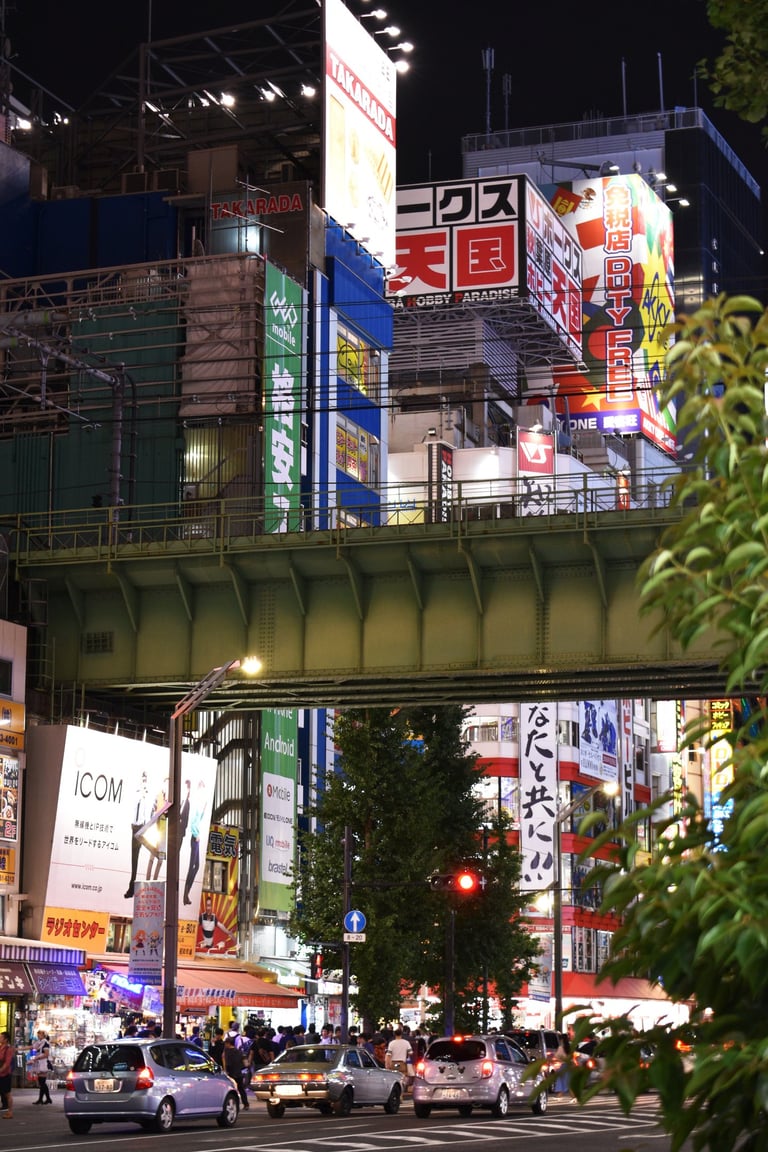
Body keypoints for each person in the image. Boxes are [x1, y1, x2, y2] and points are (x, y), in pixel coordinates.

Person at [125, 771, 151, 898]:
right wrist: (141, 793)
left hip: (143, 828)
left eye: (145, 780)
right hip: (136, 828)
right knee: (134, 859)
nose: (144, 782)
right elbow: (133, 808)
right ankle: (132, 887)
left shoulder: (147, 795)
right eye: (143, 779)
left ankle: (144, 888)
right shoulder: (137, 793)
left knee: (150, 856)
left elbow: (147, 812)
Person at [183, 778, 207, 906]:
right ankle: (185, 894)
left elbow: (199, 819)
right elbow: (193, 822)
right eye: (202, 789)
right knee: (192, 866)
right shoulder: (196, 803)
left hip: (197, 838)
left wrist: (204, 810)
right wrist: (196, 834)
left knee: (196, 866)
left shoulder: (199, 804)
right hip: (194, 838)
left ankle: (187, 893)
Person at [221, 1037, 249, 1109]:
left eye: (226, 1043)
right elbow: (245, 1063)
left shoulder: (227, 1052)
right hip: (239, 1073)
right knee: (241, 1089)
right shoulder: (239, 1051)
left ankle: (234, 1105)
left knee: (230, 1090)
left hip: (231, 1073)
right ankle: (246, 1104)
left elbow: (228, 1063)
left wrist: (226, 1071)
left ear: (228, 1043)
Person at [32, 1030, 53, 1104]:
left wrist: (36, 1058)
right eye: (38, 1034)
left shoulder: (45, 1043)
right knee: (42, 1082)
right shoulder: (39, 1042)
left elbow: (46, 1054)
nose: (38, 1036)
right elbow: (33, 1048)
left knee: (42, 1082)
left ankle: (45, 1099)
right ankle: (46, 1099)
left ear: (43, 1035)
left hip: (44, 1064)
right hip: (40, 1063)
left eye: (39, 1034)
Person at [0, 1030, 14, 1119]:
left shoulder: (9, 1049)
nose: (0, 1038)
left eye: (1, 1037)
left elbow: (7, 1063)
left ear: (6, 1039)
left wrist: (1, 1070)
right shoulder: (1, 1047)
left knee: (7, 1094)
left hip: (5, 1074)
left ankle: (10, 1112)